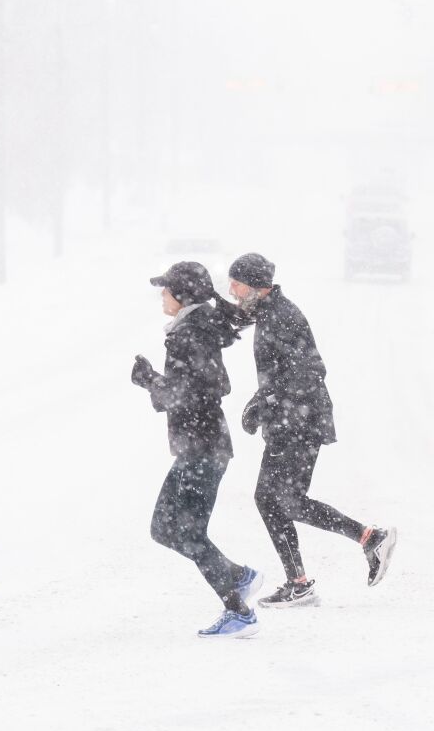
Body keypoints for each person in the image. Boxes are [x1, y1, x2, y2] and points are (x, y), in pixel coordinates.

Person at [226, 252, 396, 608]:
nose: (232, 291)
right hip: (292, 422)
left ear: (256, 286)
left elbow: (311, 370)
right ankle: (355, 547)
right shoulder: (267, 311)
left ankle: (356, 547)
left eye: (236, 284)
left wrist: (266, 400)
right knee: (280, 500)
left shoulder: (282, 316)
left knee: (277, 500)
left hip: (299, 423)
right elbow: (237, 321)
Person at [131, 261, 265, 638]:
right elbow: (202, 387)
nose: (162, 294)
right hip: (203, 447)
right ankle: (239, 577)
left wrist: (149, 380)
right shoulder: (195, 327)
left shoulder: (189, 332)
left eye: (166, 289)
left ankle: (239, 610)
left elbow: (190, 394)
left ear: (182, 294)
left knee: (181, 531)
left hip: (201, 448)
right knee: (168, 529)